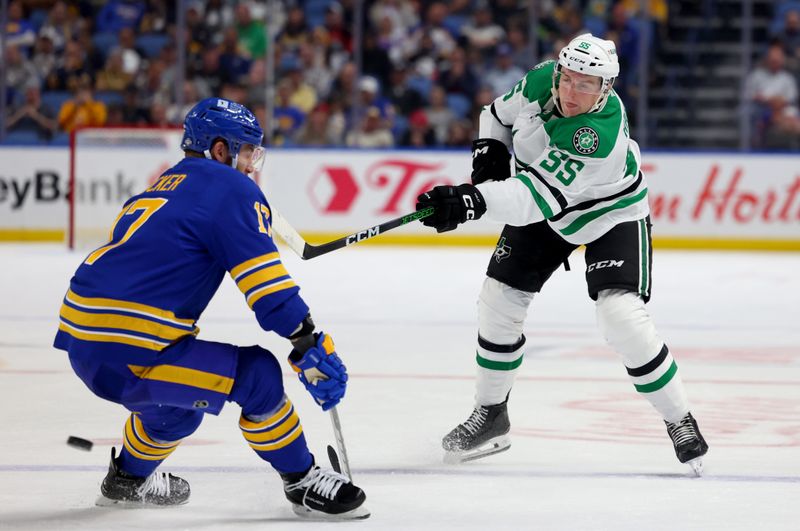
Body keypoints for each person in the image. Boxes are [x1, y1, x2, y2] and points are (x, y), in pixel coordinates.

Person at [53, 97, 369, 519]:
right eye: (246, 151)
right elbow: (267, 290)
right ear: (219, 150)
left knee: (177, 413)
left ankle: (127, 481)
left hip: (84, 342)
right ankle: (302, 481)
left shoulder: (162, 185)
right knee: (257, 375)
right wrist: (307, 340)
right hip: (132, 349)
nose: (252, 163)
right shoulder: (234, 188)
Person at [416, 34, 709, 474]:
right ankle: (492, 414)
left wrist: (472, 200)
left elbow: (534, 199)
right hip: (549, 207)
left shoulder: (596, 135)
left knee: (621, 317)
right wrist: (490, 151)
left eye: (586, 85)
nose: (572, 92)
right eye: (568, 79)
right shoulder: (542, 80)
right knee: (498, 300)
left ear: (605, 89)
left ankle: (679, 418)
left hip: (608, 213)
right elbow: (494, 114)